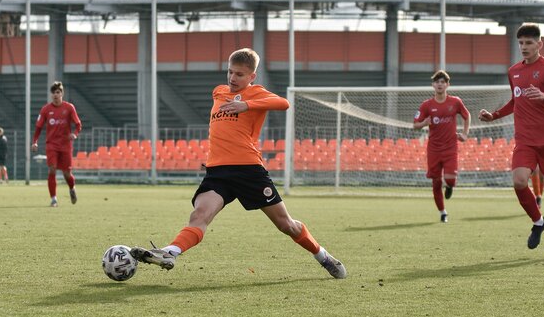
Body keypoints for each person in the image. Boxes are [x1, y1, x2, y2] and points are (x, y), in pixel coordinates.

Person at [130, 48, 347, 279]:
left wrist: (247, 105)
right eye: (230, 72)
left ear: (252, 76)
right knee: (199, 215)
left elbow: (283, 103)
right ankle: (169, 252)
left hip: (248, 170)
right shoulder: (219, 92)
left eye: (240, 74)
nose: (233, 78)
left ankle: (322, 256)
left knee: (286, 225)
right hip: (218, 172)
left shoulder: (256, 94)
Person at [479, 23, 544, 258]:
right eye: (521, 43)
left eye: (529, 43)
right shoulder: (514, 71)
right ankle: (539, 221)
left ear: (539, 44)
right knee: (520, 181)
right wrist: (495, 115)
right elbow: (516, 100)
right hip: (525, 140)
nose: (524, 47)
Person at [413, 70, 471, 223]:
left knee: (450, 179)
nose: (440, 84)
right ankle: (442, 212)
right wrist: (424, 123)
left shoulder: (455, 102)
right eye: (437, 82)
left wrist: (465, 134)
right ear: (433, 85)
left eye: (442, 82)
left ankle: (450, 187)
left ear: (447, 85)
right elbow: (415, 125)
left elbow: (467, 116)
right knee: (436, 182)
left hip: (451, 148)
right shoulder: (426, 105)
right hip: (433, 149)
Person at [31, 81, 82, 207]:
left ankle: (72, 189)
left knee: (66, 173)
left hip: (65, 145)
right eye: (53, 93)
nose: (55, 95)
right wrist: (34, 142)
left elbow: (78, 124)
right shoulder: (45, 109)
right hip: (51, 145)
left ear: (62, 93)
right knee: (52, 169)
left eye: (58, 92)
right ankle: (54, 199)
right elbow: (38, 127)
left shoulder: (69, 107)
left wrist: (75, 134)